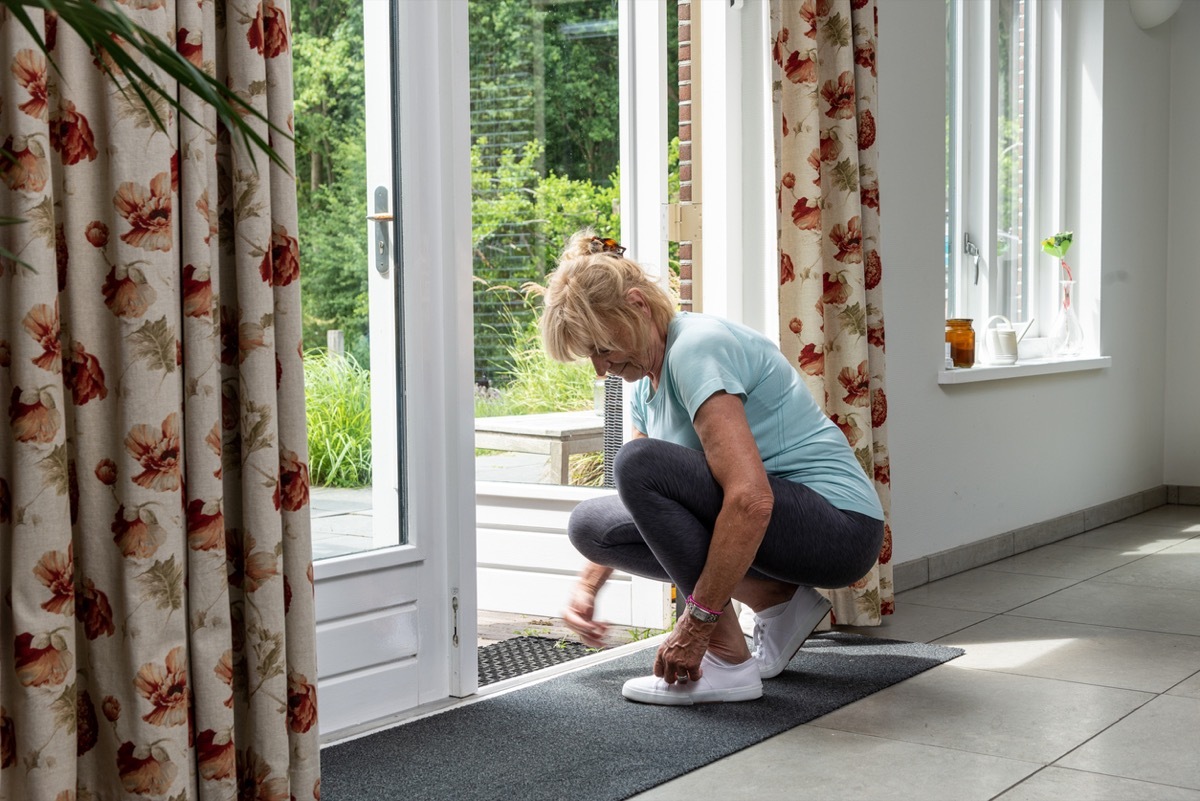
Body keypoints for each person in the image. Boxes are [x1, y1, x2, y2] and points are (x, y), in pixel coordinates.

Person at [539, 229, 886, 705]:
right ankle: (776, 602)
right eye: (590, 357)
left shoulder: (696, 347)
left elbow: (751, 497)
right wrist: (587, 587)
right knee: (594, 527)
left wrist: (697, 623)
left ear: (638, 306)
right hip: (784, 526)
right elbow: (645, 507)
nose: (601, 369)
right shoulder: (644, 386)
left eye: (602, 349)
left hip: (839, 527)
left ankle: (728, 660)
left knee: (637, 462)